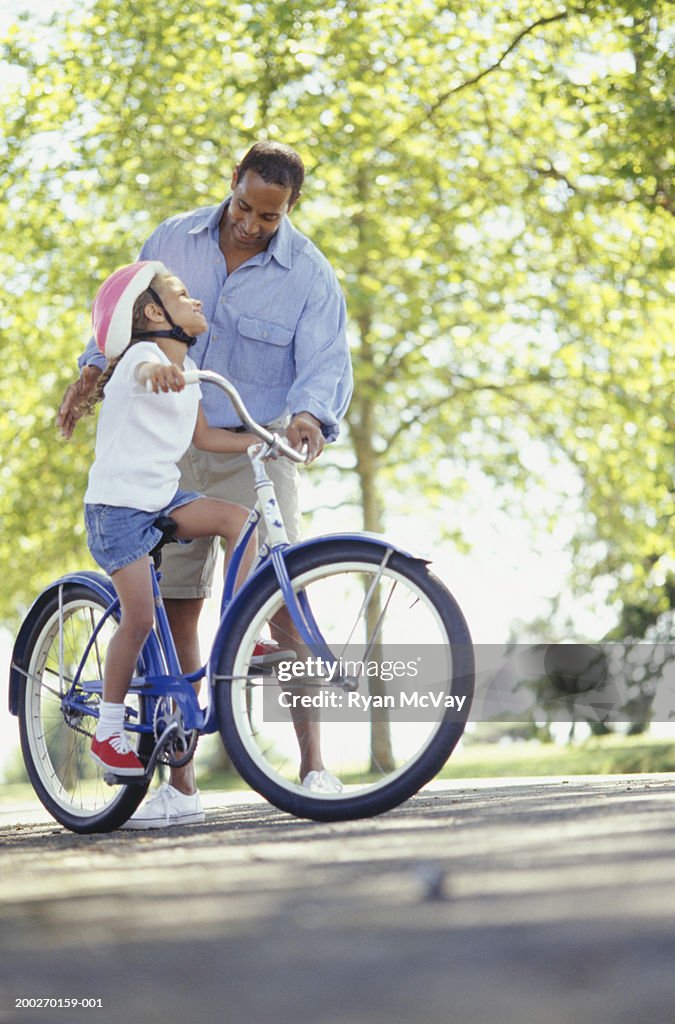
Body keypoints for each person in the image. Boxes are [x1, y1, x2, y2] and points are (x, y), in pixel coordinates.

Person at [58, 141, 353, 827]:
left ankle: (312, 768)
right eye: (246, 206)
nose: (252, 224)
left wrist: (307, 416)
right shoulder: (173, 239)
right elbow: (124, 313)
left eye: (269, 217)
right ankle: (181, 786)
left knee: (279, 603)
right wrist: (93, 372)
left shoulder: (308, 273)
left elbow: (325, 358)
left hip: (250, 440)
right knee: (177, 607)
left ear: (290, 209)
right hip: (173, 448)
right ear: (233, 184)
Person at [84, 260, 259, 786]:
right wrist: (155, 370)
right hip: (117, 509)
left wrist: (262, 442)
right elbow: (140, 370)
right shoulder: (145, 356)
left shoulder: (189, 374)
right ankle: (108, 730)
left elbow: (204, 438)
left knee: (240, 519)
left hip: (159, 499)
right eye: (183, 295)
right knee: (138, 619)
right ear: (156, 312)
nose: (197, 301)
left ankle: (242, 625)